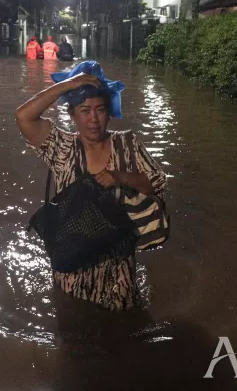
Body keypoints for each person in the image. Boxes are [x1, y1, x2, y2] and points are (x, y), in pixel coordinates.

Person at [15, 61, 167, 311]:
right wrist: (67, 85)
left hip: (118, 272)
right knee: (74, 330)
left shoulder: (129, 144)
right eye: (85, 110)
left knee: (125, 335)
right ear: (72, 114)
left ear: (109, 112)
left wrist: (122, 177)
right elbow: (24, 116)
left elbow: (157, 185)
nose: (94, 119)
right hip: (73, 270)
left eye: (100, 109)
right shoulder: (62, 148)